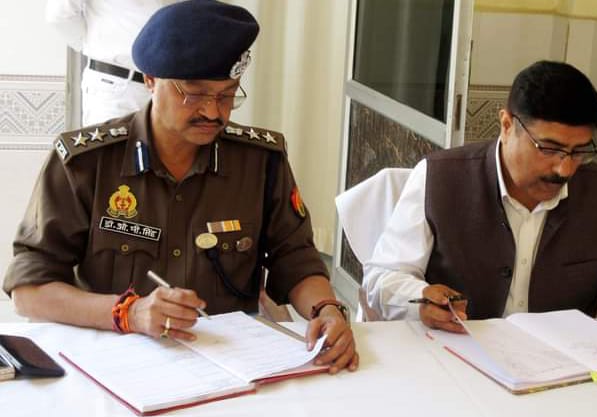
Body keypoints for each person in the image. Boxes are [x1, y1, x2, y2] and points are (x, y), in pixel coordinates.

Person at [5, 0, 358, 374]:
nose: (213, 112)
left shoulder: (259, 162)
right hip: (114, 362)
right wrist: (129, 312)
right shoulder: (87, 163)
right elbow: (29, 291)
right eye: (194, 94)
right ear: (150, 80)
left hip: (229, 365)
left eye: (227, 95)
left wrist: (327, 310)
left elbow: (295, 259)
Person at [363, 60, 597, 362]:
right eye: (549, 148)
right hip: (453, 360)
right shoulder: (439, 177)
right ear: (506, 125)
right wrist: (419, 298)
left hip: (560, 372)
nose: (564, 169)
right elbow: (383, 276)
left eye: (578, 151)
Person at [46, 0, 178, 125]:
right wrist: (92, 46)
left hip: (167, 89)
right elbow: (59, 14)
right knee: (112, 142)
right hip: (116, 88)